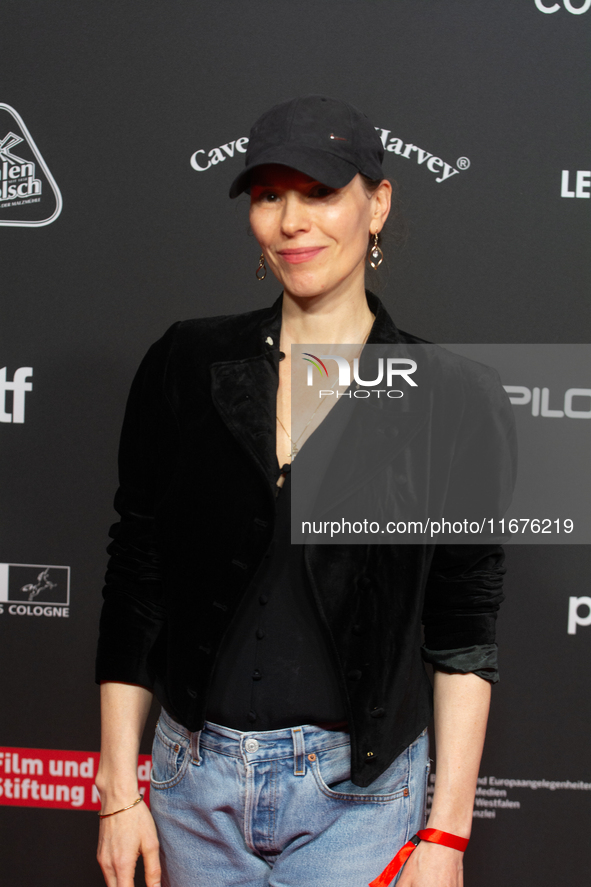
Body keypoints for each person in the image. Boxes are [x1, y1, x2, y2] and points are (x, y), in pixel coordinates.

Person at [95, 95, 514, 887]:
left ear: (377, 203)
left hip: (359, 799)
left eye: (319, 192)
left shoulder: (452, 395)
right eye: (267, 196)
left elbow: (463, 624)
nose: (291, 222)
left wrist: (446, 836)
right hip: (192, 789)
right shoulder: (186, 362)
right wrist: (121, 790)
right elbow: (136, 573)